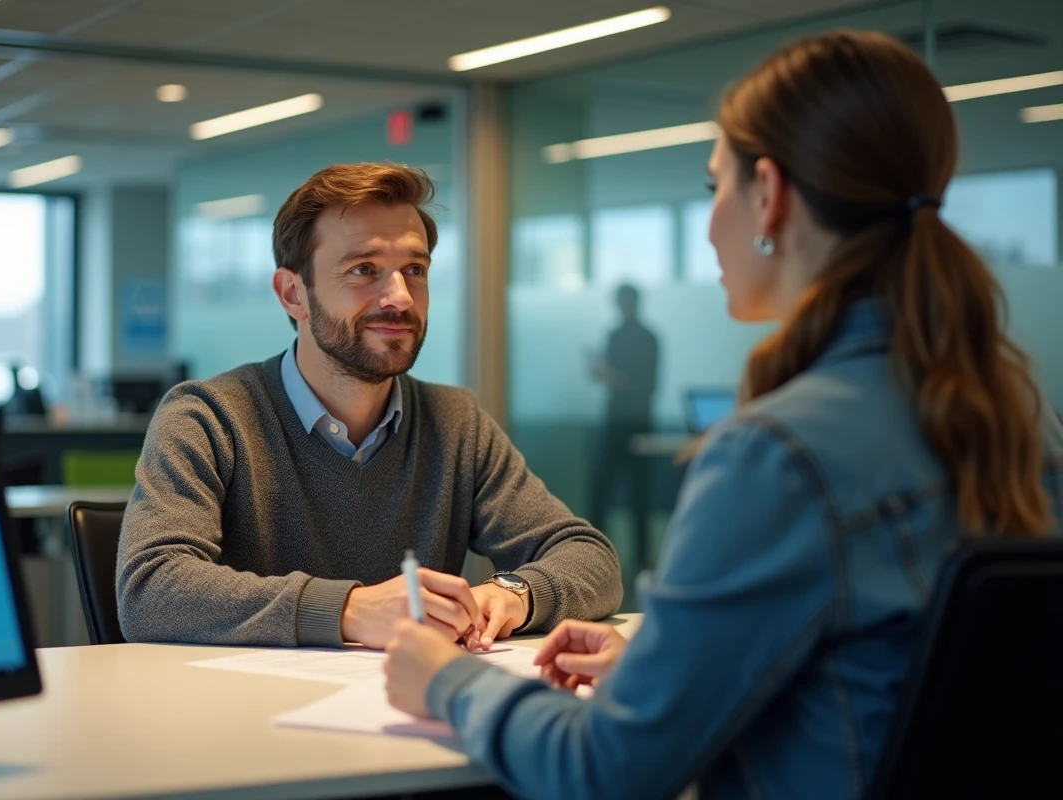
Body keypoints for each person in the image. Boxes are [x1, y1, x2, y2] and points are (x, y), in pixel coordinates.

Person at [383, 30, 1063, 800]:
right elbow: (893, 678)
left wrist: (449, 683)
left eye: (715, 188)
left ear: (768, 193)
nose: (709, 225)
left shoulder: (778, 454)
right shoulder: (1020, 417)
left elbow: (602, 771)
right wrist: (671, 671)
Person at [117, 163, 622, 650]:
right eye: (364, 270)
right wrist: (348, 610)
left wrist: (513, 593)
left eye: (414, 270)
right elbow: (151, 589)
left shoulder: (456, 423)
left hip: (411, 698)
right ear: (293, 294)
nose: (400, 297)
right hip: (242, 705)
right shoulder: (208, 418)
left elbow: (588, 557)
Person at [589, 283, 660, 569]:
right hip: (625, 419)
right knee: (613, 492)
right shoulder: (626, 336)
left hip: (632, 420)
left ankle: (604, 560)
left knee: (632, 493)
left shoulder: (641, 338)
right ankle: (596, 558)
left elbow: (645, 384)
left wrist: (611, 377)